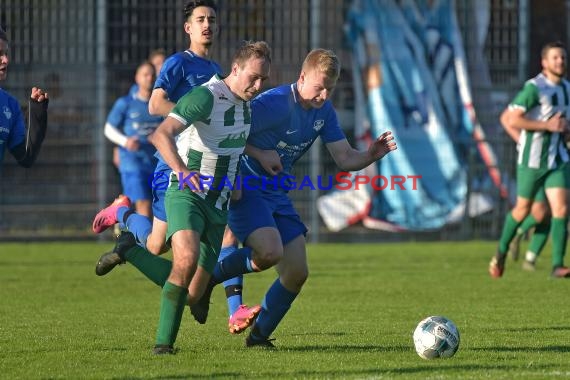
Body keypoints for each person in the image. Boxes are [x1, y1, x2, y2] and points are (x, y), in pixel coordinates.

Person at [191, 48, 397, 348]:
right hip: (245, 186)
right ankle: (208, 279)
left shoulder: (324, 112)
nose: (324, 94)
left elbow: (344, 157)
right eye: (318, 86)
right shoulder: (273, 104)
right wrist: (260, 153)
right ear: (302, 78)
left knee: (297, 271)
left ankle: (258, 337)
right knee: (269, 252)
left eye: (330, 88)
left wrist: (370, 155)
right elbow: (226, 133)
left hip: (276, 192)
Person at [92, 0, 262, 334]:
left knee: (193, 240)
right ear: (188, 28)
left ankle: (224, 303)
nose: (207, 25)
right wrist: (194, 114)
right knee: (159, 246)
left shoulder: (217, 70)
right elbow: (155, 104)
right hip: (172, 164)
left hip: (206, 166)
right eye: (200, 19)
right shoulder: (179, 63)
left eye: (212, 19)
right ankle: (123, 217)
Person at [148, 40, 272, 354]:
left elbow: (229, 142)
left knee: (192, 294)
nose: (257, 86)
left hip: (219, 205)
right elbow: (160, 134)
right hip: (187, 194)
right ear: (236, 68)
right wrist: (180, 169)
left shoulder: (244, 104)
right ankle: (164, 346)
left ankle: (129, 250)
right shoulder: (205, 95)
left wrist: (256, 158)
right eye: (253, 78)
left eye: (263, 81)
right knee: (185, 259)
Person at [489, 41, 570, 279]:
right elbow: (512, 119)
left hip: (558, 160)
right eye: (555, 58)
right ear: (544, 63)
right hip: (532, 161)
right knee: (523, 209)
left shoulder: (566, 88)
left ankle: (557, 265)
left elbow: (563, 124)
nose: (560, 61)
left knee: (561, 209)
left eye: (563, 57)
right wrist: (545, 126)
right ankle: (501, 251)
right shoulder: (535, 88)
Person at [103, 61, 163, 218]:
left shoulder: (162, 104)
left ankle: (124, 222)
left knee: (159, 207)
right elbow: (109, 129)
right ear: (137, 78)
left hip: (157, 161)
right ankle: (144, 240)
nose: (149, 78)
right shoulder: (126, 103)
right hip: (133, 161)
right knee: (143, 203)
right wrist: (125, 141)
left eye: (152, 75)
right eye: (145, 75)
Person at [0, 27, 49, 170]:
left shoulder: (10, 105)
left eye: (6, 54)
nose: (6, 60)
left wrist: (37, 114)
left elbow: (26, 157)